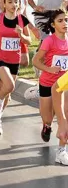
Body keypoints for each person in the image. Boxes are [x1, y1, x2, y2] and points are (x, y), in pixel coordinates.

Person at [0, 0, 35, 134]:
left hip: (14, 60)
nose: (13, 4)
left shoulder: (22, 20)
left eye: (16, 1)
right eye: (10, 2)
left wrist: (21, 35)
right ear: (4, 4)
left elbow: (29, 40)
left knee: (6, 91)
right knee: (10, 86)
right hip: (0, 58)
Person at [31, 9, 68, 165]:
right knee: (48, 117)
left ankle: (61, 150)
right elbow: (35, 61)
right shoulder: (49, 41)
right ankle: (47, 126)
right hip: (47, 82)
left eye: (66, 20)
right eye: (60, 21)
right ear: (53, 25)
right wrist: (49, 69)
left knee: (64, 114)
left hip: (64, 83)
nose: (65, 23)